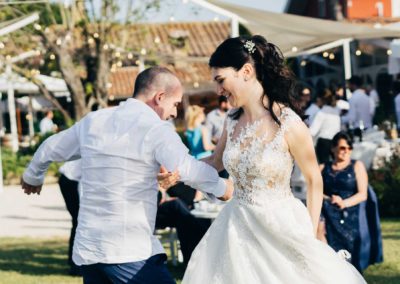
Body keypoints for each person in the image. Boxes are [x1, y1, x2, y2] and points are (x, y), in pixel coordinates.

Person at [21, 66, 233, 284]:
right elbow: (187, 167)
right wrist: (221, 187)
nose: (174, 113)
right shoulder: (156, 129)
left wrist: (33, 176)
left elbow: (50, 147)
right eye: (175, 104)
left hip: (90, 250)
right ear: (159, 97)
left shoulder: (93, 121)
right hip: (128, 251)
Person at [182, 35, 365, 283]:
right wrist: (179, 169)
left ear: (246, 71)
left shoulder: (289, 123)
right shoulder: (231, 120)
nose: (218, 90)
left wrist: (309, 235)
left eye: (221, 80)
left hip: (280, 226)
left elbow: (314, 180)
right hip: (236, 229)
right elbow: (216, 161)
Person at [317, 132, 382, 272]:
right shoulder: (323, 168)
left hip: (350, 214)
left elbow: (363, 194)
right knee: (325, 248)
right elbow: (314, 191)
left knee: (351, 261)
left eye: (349, 148)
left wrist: (344, 203)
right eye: (342, 148)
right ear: (333, 148)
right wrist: (330, 199)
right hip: (328, 212)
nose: (346, 151)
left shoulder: (357, 166)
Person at [58, 160, 81, 276]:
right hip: (71, 180)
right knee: (80, 222)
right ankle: (75, 265)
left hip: (69, 179)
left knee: (78, 221)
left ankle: (74, 263)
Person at [310, 89, 341, 164]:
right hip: (335, 141)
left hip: (323, 143)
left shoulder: (321, 113)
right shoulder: (336, 112)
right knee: (335, 165)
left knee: (323, 167)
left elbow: (312, 131)